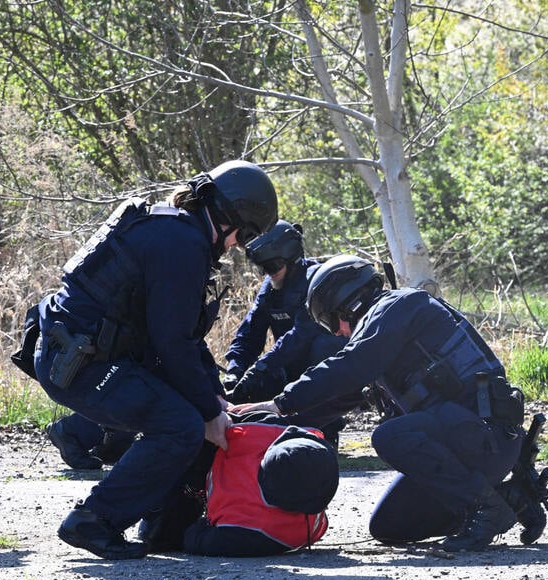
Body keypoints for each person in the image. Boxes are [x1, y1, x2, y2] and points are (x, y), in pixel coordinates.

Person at [33, 159, 278, 559]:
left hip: (81, 355)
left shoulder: (175, 230)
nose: (236, 245)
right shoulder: (183, 245)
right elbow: (172, 343)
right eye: (243, 235)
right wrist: (206, 412)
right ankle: (94, 519)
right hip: (80, 364)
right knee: (180, 425)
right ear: (230, 219)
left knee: (185, 414)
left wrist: (215, 400)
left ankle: (157, 520)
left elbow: (184, 337)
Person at [231, 255, 529, 551]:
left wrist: (281, 402)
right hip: (469, 442)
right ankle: (511, 499)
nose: (337, 332)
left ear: (347, 302)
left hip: (483, 438)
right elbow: (341, 396)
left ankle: (484, 509)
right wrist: (273, 423)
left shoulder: (400, 306)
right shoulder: (389, 330)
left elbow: (349, 366)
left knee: (391, 436)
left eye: (331, 320)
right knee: (389, 526)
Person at [225, 221, 353, 444]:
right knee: (251, 385)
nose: (268, 273)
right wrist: (235, 373)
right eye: (262, 268)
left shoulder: (316, 280)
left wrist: (260, 369)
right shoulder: (270, 288)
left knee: (322, 347)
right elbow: (249, 334)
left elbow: (299, 336)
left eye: (272, 267)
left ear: (291, 259)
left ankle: (325, 423)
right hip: (289, 370)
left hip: (322, 373)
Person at [139, 417, 339, 557]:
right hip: (201, 456)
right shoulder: (292, 532)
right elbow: (197, 539)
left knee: (158, 539)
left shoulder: (268, 431)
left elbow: (195, 539)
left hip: (192, 466)